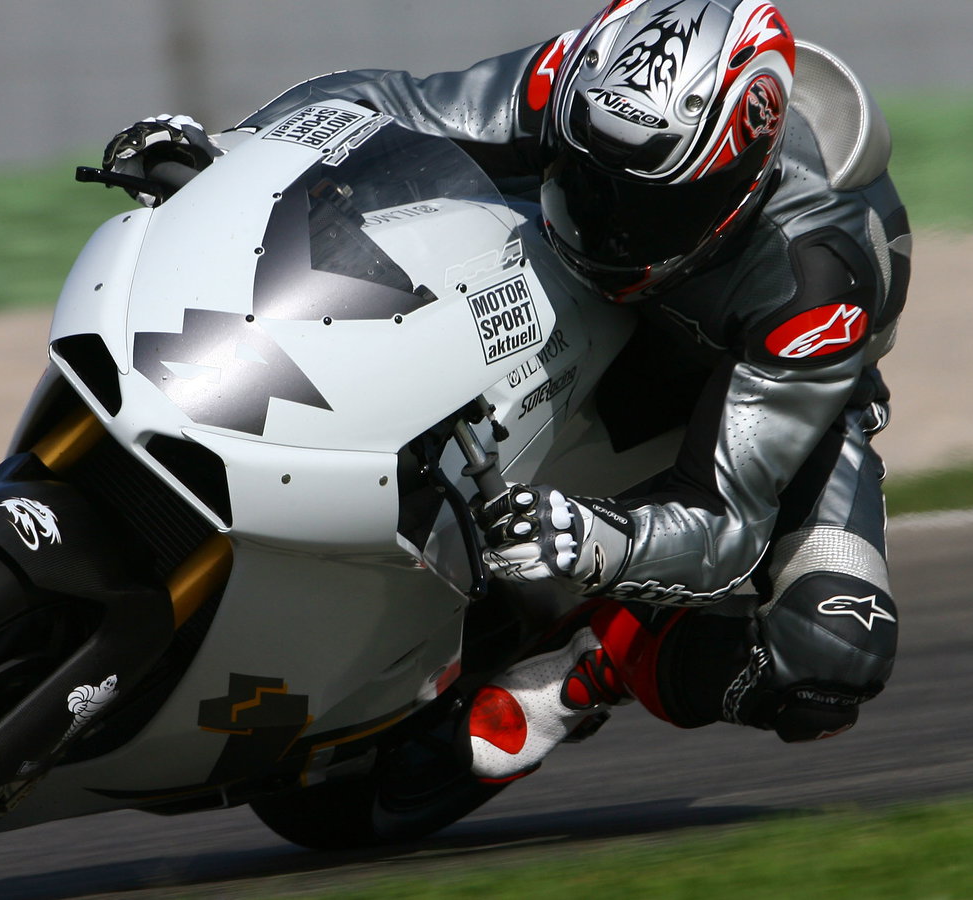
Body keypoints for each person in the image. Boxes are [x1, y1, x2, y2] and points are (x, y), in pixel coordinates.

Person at [104, 0, 908, 782]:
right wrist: (228, 151)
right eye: (590, 176)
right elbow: (383, 105)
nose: (610, 220)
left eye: (652, 203)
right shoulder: (580, 84)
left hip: (751, 384)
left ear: (739, 188)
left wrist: (596, 542)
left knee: (829, 657)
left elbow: (726, 519)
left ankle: (595, 664)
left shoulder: (818, 284)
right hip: (571, 282)